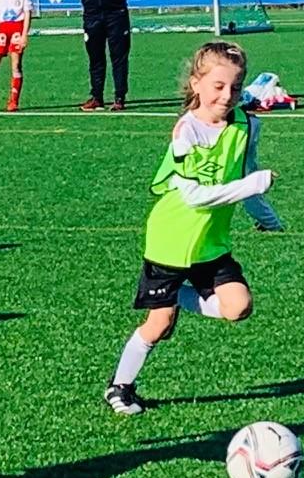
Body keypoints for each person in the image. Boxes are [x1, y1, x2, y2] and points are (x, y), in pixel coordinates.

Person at [104, 41, 275, 416]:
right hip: (171, 240)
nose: (227, 95)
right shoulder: (186, 132)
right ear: (196, 83)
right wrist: (253, 185)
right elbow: (196, 196)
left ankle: (176, 296)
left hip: (211, 242)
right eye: (218, 86)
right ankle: (120, 387)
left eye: (235, 86)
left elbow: (246, 173)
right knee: (160, 325)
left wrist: (266, 218)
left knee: (238, 307)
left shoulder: (247, 125)